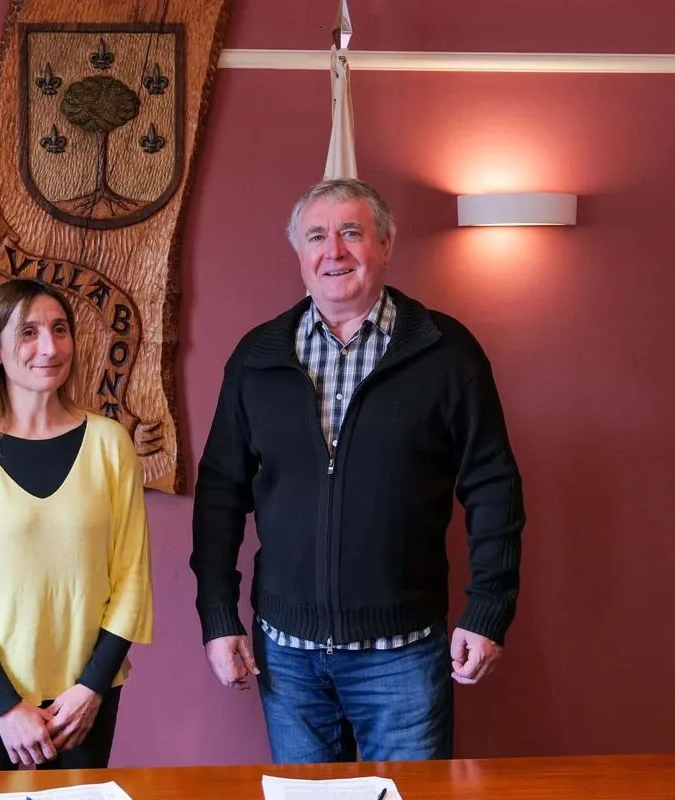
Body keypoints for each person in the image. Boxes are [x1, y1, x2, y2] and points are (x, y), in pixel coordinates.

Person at [190, 178, 525, 764]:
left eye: (352, 232)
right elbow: (220, 494)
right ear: (298, 252)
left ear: (386, 244)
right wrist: (218, 616)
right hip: (287, 658)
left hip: (403, 655)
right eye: (317, 235)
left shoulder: (446, 352)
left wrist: (488, 608)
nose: (334, 251)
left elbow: (494, 487)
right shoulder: (258, 357)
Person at [0, 278, 154, 772]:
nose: (49, 347)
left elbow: (131, 580)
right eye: (28, 332)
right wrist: (6, 706)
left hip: (82, 703)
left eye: (60, 329)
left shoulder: (111, 445)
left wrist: (91, 688)